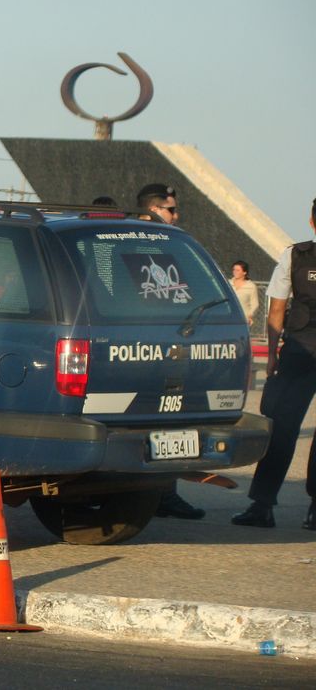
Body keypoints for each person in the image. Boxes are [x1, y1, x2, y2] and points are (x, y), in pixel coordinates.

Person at [233, 199, 316, 530]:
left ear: (311, 221)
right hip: (300, 352)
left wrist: (272, 356)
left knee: (282, 428)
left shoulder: (295, 255)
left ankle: (262, 505)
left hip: (298, 350)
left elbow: (277, 310)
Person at [135, 183, 206, 520]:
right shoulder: (128, 248)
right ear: (149, 211)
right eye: (170, 209)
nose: (177, 216)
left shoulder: (171, 249)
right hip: (137, 351)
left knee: (171, 423)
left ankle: (164, 493)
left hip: (172, 350)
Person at [229, 260, 259, 327]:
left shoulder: (251, 286)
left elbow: (255, 304)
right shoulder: (228, 284)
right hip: (228, 318)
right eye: (234, 270)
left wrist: (249, 316)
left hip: (243, 320)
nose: (235, 272)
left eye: (238, 270)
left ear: (244, 272)